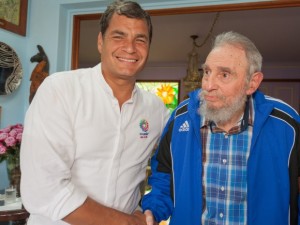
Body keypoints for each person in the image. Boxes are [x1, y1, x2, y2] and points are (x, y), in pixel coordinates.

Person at [20, 1, 169, 225]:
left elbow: (172, 164)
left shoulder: (156, 109)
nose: (130, 47)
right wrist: (128, 222)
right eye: (118, 36)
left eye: (140, 39)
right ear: (101, 41)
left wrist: (149, 211)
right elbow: (44, 190)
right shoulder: (59, 90)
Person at [142, 31, 300, 225]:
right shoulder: (181, 118)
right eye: (207, 72)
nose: (208, 85)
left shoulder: (287, 125)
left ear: (252, 83)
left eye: (224, 74)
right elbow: (164, 176)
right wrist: (153, 208)